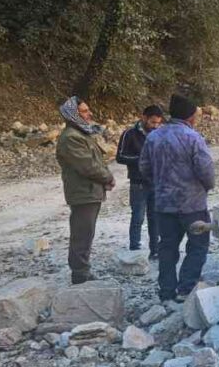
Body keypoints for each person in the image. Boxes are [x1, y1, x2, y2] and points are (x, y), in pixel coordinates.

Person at [139, 94, 215, 302]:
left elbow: (144, 167)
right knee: (198, 245)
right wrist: (207, 187)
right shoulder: (193, 138)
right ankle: (186, 288)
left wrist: (159, 184)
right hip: (192, 205)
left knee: (167, 247)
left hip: (164, 204)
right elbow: (206, 171)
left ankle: (166, 291)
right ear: (190, 117)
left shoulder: (153, 137)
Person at [56, 96, 115, 284]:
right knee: (82, 234)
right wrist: (108, 177)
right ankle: (80, 274)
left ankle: (83, 271)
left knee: (86, 233)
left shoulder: (82, 134)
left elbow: (97, 161)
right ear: (73, 114)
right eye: (84, 111)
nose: (89, 114)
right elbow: (88, 166)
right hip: (83, 193)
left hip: (90, 191)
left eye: (88, 110)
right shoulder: (71, 137)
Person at [117, 104, 165, 258]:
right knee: (137, 217)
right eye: (152, 122)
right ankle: (135, 251)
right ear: (144, 118)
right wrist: (142, 160)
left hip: (156, 183)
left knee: (155, 218)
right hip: (138, 183)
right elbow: (120, 157)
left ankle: (155, 250)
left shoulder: (160, 134)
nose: (155, 126)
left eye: (158, 123)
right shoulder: (129, 134)